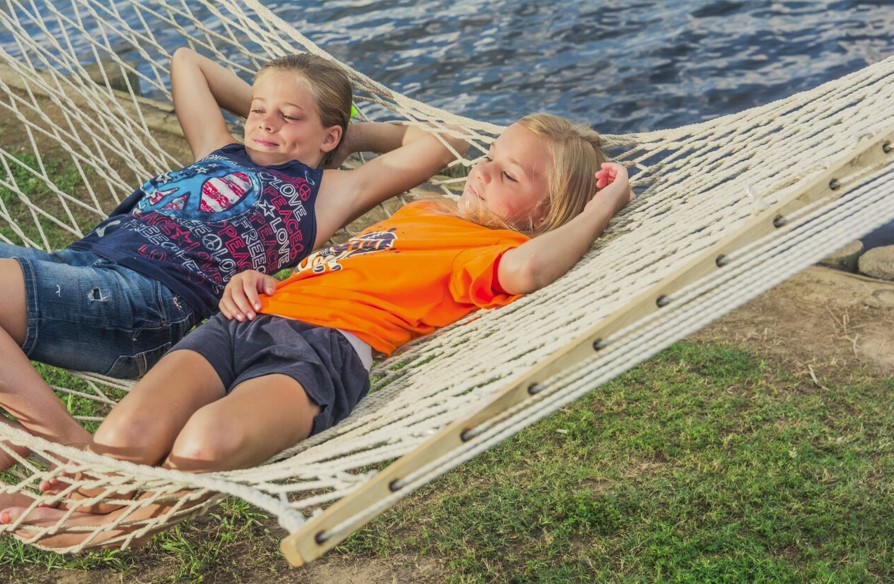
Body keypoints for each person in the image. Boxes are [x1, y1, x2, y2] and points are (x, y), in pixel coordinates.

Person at [0, 113, 635, 546]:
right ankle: (89, 494)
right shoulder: (425, 212)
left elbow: (528, 270)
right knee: (123, 434)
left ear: (548, 213)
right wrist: (249, 277)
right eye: (491, 156)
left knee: (204, 444)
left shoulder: (486, 254)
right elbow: (334, 267)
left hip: (318, 351)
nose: (483, 171)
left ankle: (108, 522)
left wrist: (605, 203)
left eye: (508, 176)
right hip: (251, 315)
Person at [0, 47, 465, 471]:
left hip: (146, 302)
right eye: (259, 110)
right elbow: (187, 61)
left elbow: (451, 140)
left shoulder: (327, 193)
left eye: (289, 117)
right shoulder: (218, 149)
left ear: (329, 136)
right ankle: (16, 435)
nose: (265, 123)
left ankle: (59, 437)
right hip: (76, 267)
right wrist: (275, 111)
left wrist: (348, 137)